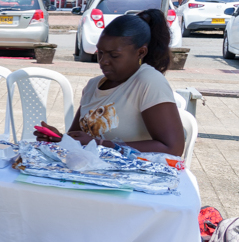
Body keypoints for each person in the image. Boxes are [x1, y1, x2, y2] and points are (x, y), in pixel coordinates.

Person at [35, 9, 184, 155]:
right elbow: (78, 137)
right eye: (100, 53)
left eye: (114, 55)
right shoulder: (93, 86)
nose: (104, 61)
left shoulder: (149, 82)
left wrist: (101, 144)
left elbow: (172, 148)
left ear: (141, 52)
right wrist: (59, 139)